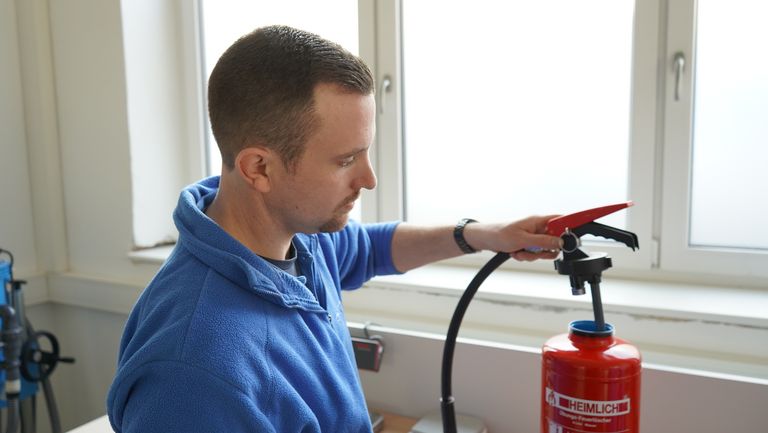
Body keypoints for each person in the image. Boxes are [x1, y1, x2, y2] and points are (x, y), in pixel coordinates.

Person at [106, 25, 561, 433]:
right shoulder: (194, 371)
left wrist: (481, 234)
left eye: (365, 153)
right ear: (258, 168)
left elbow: (371, 247)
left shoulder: (297, 236)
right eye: (346, 160)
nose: (369, 179)